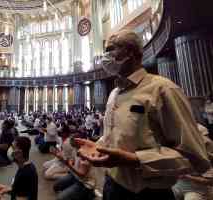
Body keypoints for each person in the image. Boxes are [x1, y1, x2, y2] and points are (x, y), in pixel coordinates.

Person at [76, 30, 211, 200]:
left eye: (111, 49)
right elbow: (115, 137)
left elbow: (194, 156)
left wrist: (135, 160)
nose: (105, 56)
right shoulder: (114, 94)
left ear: (130, 52)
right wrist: (99, 145)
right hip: (111, 184)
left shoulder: (162, 89)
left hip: (148, 193)